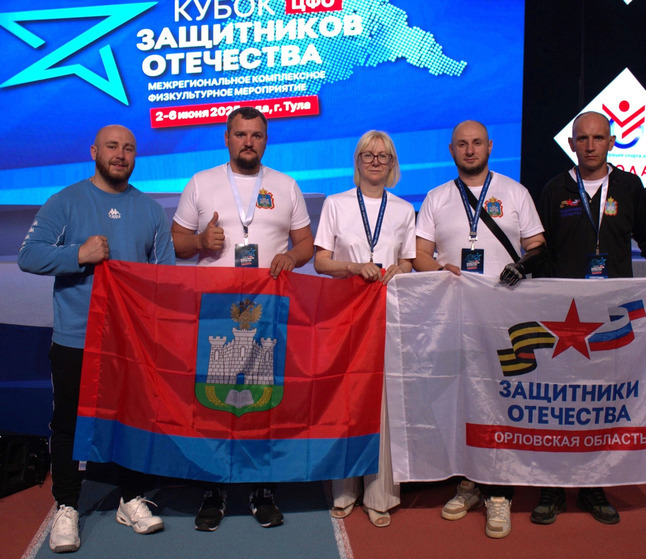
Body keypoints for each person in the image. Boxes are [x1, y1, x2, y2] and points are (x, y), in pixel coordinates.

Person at [526, 110, 646, 526]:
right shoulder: (554, 189)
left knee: (600, 403)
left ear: (611, 142)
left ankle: (593, 486)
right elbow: (540, 249)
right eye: (583, 138)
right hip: (562, 316)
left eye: (598, 138)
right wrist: (524, 292)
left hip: (611, 315)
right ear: (572, 144)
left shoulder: (629, 186)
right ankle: (552, 487)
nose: (590, 146)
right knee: (558, 401)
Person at [18, 125, 175, 553]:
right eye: (112, 146)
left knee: (133, 420)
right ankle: (67, 505)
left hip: (131, 341)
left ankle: (130, 498)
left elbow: (165, 276)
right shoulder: (65, 201)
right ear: (94, 151)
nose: (120, 154)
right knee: (69, 422)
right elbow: (28, 255)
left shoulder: (150, 210)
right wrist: (78, 255)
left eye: (128, 148)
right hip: (76, 337)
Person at [171, 106, 314, 531]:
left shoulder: (286, 185)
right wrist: (200, 240)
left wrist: (292, 257)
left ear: (265, 140)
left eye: (256, 135)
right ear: (227, 138)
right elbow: (177, 243)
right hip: (215, 312)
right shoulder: (201, 182)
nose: (248, 141)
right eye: (240, 134)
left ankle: (261, 487)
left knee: (263, 400)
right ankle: (213, 488)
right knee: (212, 401)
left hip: (270, 311)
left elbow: (306, 243)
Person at [413, 120, 547, 539]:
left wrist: (520, 267)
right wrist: (440, 269)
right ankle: (470, 481)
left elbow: (538, 247)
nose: (469, 150)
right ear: (451, 150)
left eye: (476, 143)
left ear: (490, 146)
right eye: (462, 144)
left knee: (501, 399)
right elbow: (419, 254)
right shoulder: (436, 197)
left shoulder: (515, 192)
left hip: (504, 316)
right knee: (462, 399)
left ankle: (499, 491)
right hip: (453, 315)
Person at [314, 130, 415, 527]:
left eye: (383, 155)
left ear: (392, 164)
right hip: (345, 315)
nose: (375, 161)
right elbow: (321, 261)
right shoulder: (336, 204)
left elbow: (409, 261)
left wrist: (399, 270)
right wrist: (354, 267)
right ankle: (344, 489)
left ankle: (381, 494)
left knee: (385, 402)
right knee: (347, 398)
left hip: (389, 316)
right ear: (357, 161)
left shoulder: (404, 209)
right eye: (368, 155)